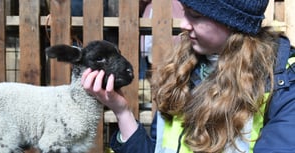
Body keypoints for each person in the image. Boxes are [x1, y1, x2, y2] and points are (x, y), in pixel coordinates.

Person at [81, 0, 295, 152]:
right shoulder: (182, 70)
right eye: (185, 11)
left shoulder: (283, 85)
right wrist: (122, 111)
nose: (183, 24)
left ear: (232, 21)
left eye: (195, 15)